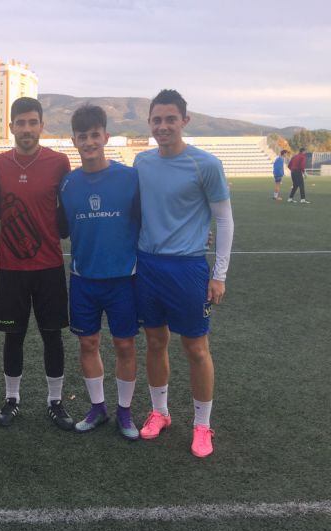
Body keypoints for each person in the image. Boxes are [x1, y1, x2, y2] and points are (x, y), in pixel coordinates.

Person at [133, 89, 234, 458]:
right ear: (149, 123)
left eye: (170, 119)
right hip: (148, 266)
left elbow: (223, 218)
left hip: (188, 268)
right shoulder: (142, 163)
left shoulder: (205, 164)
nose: (163, 126)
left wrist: (219, 274)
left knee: (196, 348)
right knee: (155, 342)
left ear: (184, 121)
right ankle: (160, 413)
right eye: (156, 120)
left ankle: (203, 425)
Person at [58, 104, 141, 440]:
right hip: (83, 280)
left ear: (105, 136)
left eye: (95, 135)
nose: (89, 142)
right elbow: (62, 229)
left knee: (124, 346)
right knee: (88, 343)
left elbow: (153, 220)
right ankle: (98, 407)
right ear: (74, 140)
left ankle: (124, 411)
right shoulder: (67, 184)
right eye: (83, 136)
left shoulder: (129, 178)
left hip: (123, 279)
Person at [0, 97, 73, 430]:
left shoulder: (59, 162)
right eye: (20, 123)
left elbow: (67, 212)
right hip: (11, 267)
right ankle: (12, 399)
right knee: (14, 336)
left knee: (53, 335)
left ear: (41, 125)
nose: (26, 129)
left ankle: (56, 402)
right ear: (11, 127)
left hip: (49, 266)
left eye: (32, 122)